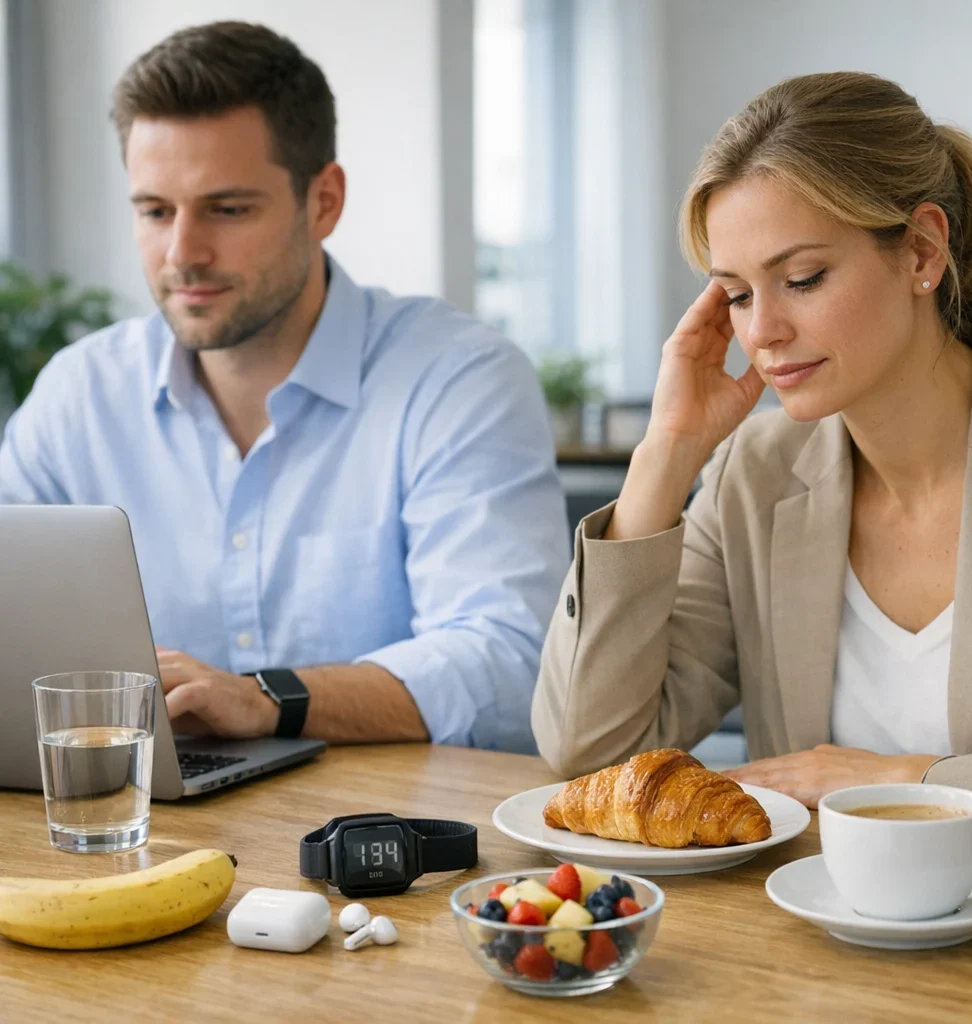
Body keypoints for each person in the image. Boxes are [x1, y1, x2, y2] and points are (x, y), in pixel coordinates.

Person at [0, 21, 569, 753]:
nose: (183, 254)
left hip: (399, 846)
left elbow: (512, 662)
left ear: (323, 201)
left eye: (227, 209)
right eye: (154, 211)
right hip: (145, 833)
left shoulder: (457, 380)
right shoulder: (80, 395)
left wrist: (269, 699)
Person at [532, 70, 972, 810]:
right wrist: (665, 455)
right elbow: (591, 752)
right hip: (806, 923)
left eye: (802, 277)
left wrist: (904, 780)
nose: (760, 332)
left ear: (922, 252)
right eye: (734, 294)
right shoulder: (755, 475)